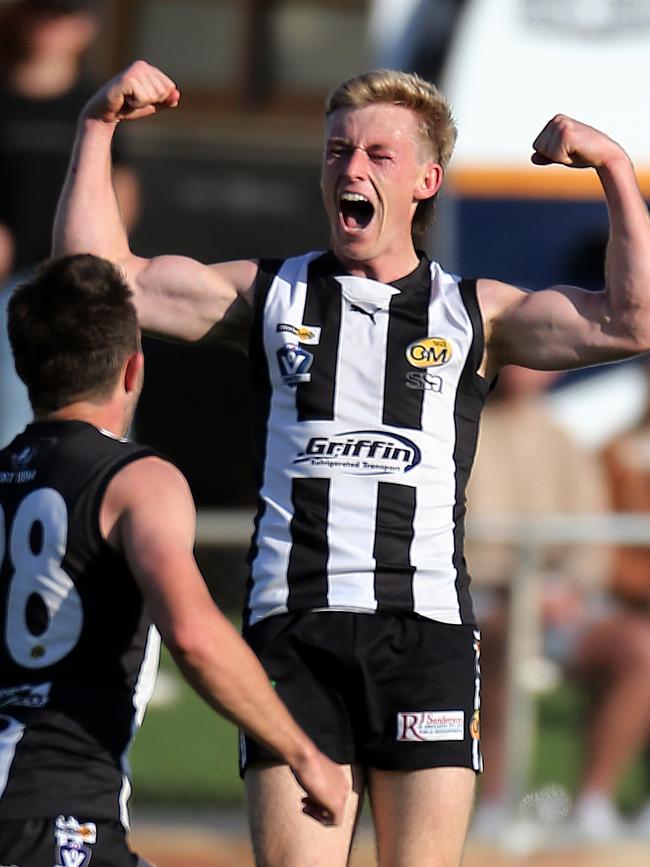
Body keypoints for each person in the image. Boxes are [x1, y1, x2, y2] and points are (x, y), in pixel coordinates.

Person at [52, 60, 650, 867]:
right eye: (337, 151)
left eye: (377, 154)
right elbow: (98, 285)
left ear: (426, 180)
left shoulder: (477, 313)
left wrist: (614, 165)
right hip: (294, 633)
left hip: (426, 635)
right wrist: (96, 124)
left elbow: (630, 320)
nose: (351, 169)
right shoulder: (270, 296)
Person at [0, 253, 348, 867]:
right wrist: (303, 753)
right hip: (54, 812)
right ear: (134, 368)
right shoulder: (138, 480)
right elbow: (192, 633)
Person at [464, 365, 614, 838]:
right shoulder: (462, 431)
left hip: (559, 603)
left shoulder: (565, 440)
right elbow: (461, 542)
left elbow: (593, 540)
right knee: (503, 643)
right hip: (486, 600)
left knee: (639, 649)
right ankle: (495, 803)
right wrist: (527, 590)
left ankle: (592, 802)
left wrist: (568, 588)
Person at [0, 0, 139, 447]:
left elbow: (123, 183)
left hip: (81, 285)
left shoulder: (93, 102)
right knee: (13, 408)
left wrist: (106, 259)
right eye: (42, 14)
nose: (49, 28)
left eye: (61, 17)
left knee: (101, 407)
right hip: (12, 285)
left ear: (84, 28)